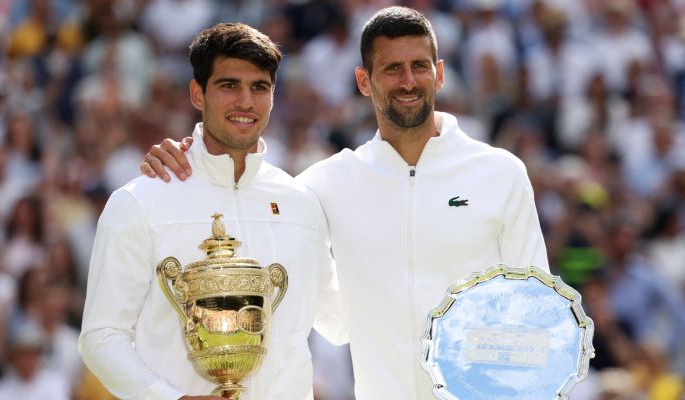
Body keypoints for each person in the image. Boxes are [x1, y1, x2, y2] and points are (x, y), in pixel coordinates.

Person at [142, 7, 549, 399]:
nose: (408, 80)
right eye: (392, 68)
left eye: (420, 66)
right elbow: (243, 195)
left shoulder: (501, 173)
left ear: (439, 75)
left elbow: (537, 310)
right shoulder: (324, 184)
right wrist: (189, 158)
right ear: (363, 81)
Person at [79, 22, 344, 400]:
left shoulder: (300, 202)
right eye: (228, 85)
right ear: (196, 93)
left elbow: (339, 321)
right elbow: (100, 338)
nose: (246, 102)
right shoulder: (139, 201)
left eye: (259, 87)